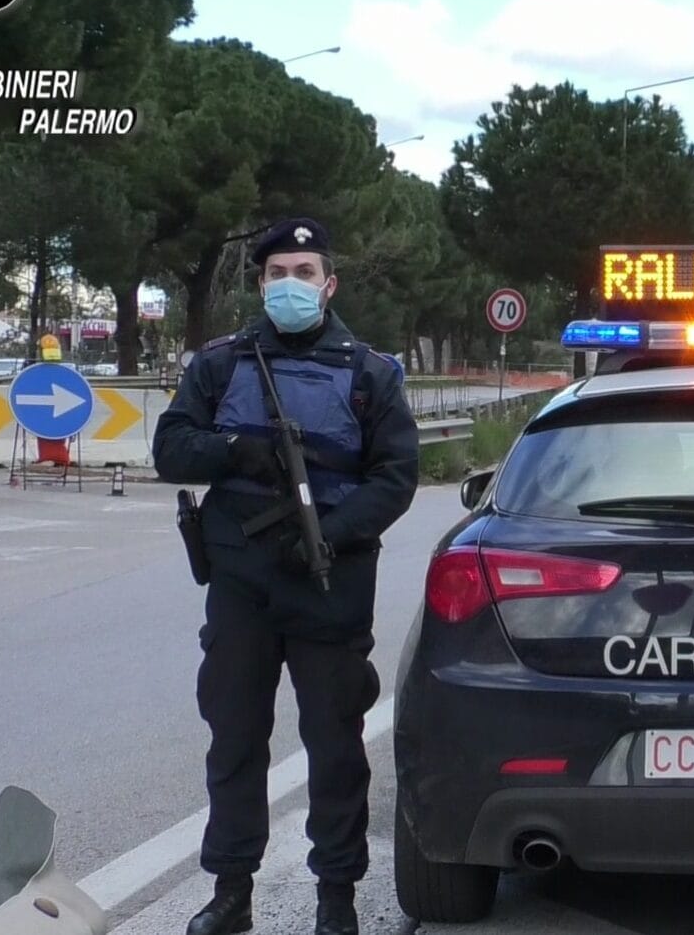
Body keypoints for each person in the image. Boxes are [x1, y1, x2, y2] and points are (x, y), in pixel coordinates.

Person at [154, 216, 420, 935]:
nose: (291, 285)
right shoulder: (219, 366)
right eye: (278, 274)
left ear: (329, 284)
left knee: (335, 745)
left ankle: (336, 897)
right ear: (261, 283)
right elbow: (171, 449)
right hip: (241, 584)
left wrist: (329, 535)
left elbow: (395, 479)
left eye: (306, 273)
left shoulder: (371, 374)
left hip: (328, 584)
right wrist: (234, 450)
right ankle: (231, 893)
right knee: (234, 737)